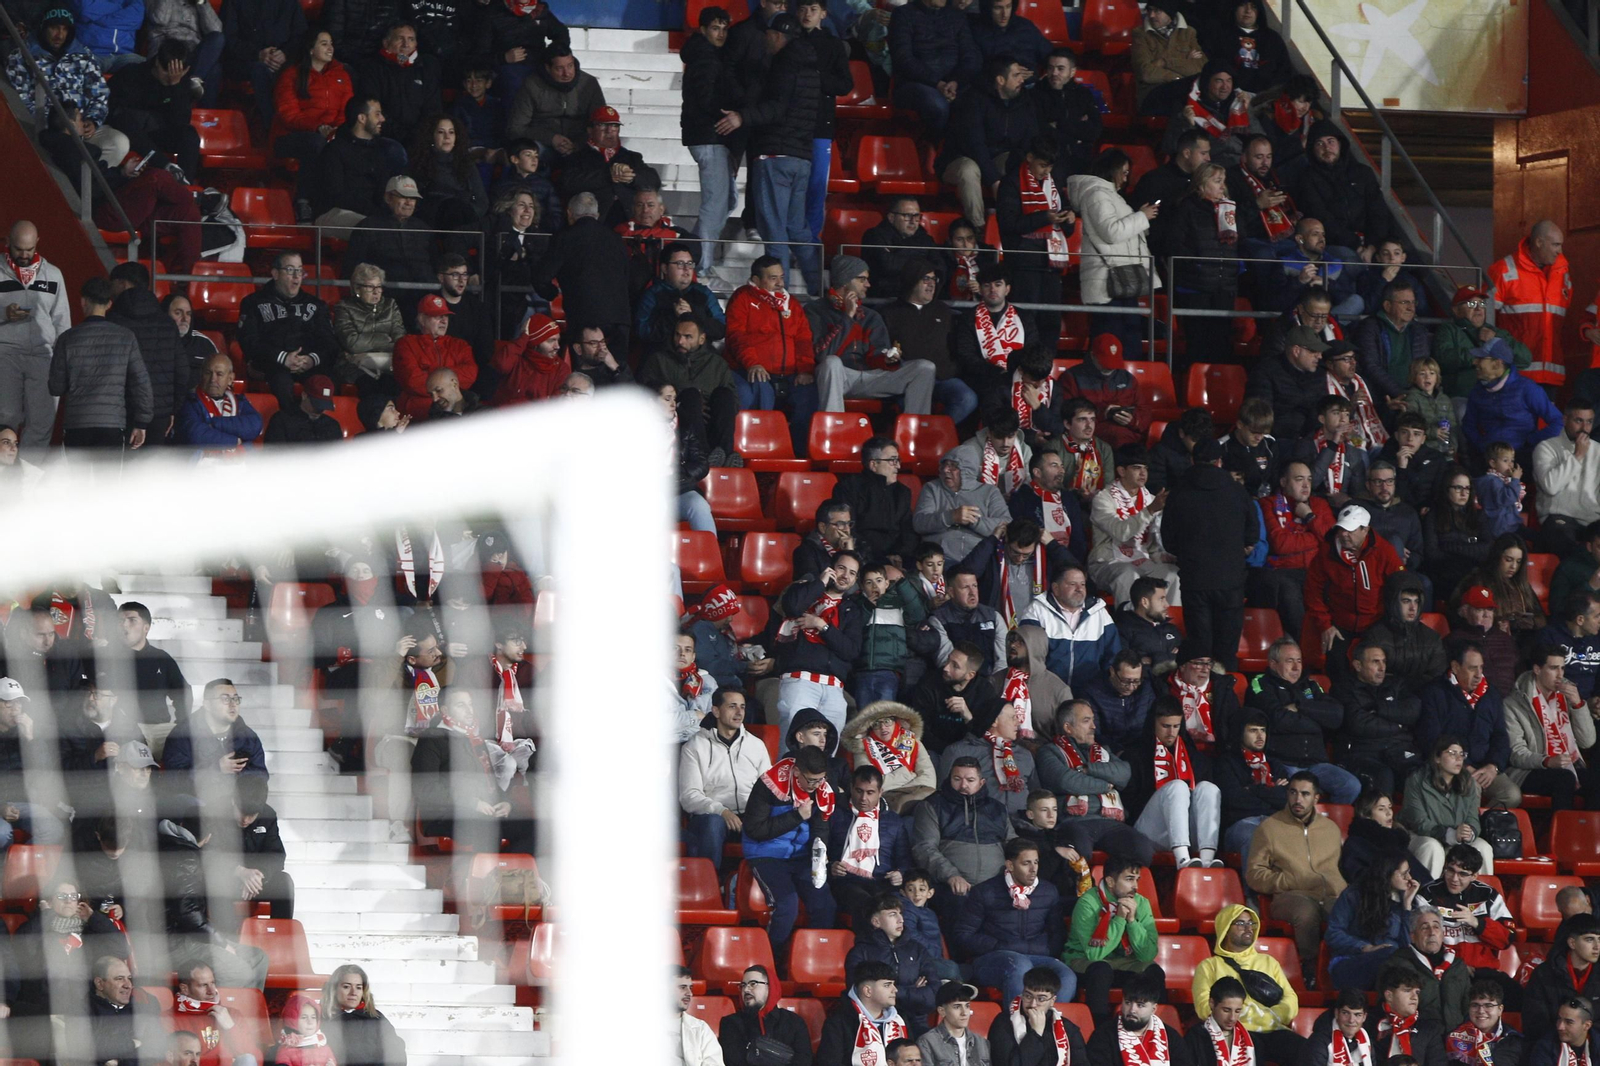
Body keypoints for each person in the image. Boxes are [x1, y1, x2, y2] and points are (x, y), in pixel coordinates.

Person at [714, 14, 821, 293]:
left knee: (774, 233)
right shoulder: (810, 64)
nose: (765, 40)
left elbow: (776, 108)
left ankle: (778, 296)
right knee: (798, 230)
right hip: (802, 157)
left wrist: (742, 117)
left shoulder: (783, 65)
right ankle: (819, 290)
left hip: (775, 155)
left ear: (777, 36)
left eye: (768, 35)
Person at [1162, 438, 1258, 670]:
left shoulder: (1178, 492)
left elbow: (1168, 541)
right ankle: (1226, 688)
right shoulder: (1237, 491)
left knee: (1199, 648)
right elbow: (1252, 535)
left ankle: (1200, 691)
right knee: (1227, 650)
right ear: (1219, 461)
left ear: (1192, 460)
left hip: (1194, 580)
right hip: (1231, 580)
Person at [810, 256, 936, 415]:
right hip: (839, 376)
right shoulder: (816, 310)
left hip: (871, 377)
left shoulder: (870, 316)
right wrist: (847, 317)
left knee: (925, 368)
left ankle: (916, 427)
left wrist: (888, 359)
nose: (868, 284)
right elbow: (822, 354)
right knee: (831, 363)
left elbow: (877, 354)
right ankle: (834, 426)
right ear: (845, 281)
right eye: (862, 279)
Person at [1036, 699, 1157, 864]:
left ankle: (1114, 881)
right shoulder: (1049, 752)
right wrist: (1105, 785)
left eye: (1093, 720)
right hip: (1073, 822)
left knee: (1142, 849)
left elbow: (1124, 773)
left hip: (1110, 822)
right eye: (1086, 721)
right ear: (1068, 728)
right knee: (1078, 851)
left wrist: (1088, 769)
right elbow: (1066, 781)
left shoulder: (1103, 751)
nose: (1094, 726)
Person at [742, 743, 837, 949]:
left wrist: (819, 852)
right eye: (810, 780)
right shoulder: (769, 784)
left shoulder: (821, 789)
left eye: (820, 779)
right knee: (787, 906)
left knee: (825, 904)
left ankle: (810, 956)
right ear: (796, 771)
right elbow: (755, 829)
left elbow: (821, 826)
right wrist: (797, 816)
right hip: (765, 854)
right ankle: (772, 957)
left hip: (801, 856)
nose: (815, 785)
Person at [1066, 150, 1159, 359]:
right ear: (1112, 169)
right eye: (1124, 173)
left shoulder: (1110, 195)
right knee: (1109, 340)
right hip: (1108, 280)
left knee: (1127, 337)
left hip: (1121, 277)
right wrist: (1141, 217)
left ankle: (1127, 377)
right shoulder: (1096, 194)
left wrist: (1140, 219)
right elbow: (1111, 232)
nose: (1126, 179)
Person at [48, 276, 152, 453]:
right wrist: (142, 422)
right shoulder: (126, 337)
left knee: (78, 473)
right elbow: (141, 382)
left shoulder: (67, 338)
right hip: (112, 423)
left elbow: (56, 387)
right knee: (108, 473)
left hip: (77, 423)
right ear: (109, 304)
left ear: (83, 301)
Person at [6, 10, 125, 160]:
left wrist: (93, 120)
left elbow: (100, 92)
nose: (60, 35)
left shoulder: (83, 54)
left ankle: (88, 175)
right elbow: (21, 98)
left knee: (118, 143)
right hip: (44, 129)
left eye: (65, 29)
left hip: (81, 126)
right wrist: (59, 124)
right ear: (43, 28)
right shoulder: (22, 56)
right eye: (54, 28)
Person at [940, 57, 1042, 232]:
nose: (1022, 80)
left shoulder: (1024, 101)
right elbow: (975, 146)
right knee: (969, 170)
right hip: (960, 158)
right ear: (1000, 80)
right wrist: (994, 181)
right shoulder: (973, 99)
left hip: (998, 157)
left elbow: (1030, 139)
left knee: (1023, 163)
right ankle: (977, 229)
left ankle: (1020, 224)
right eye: (1016, 75)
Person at [912, 758, 1015, 927]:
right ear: (949, 779)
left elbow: (1013, 845)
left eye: (970, 780)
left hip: (996, 887)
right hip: (952, 888)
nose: (963, 785)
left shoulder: (997, 809)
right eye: (957, 779)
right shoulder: (932, 805)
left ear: (981, 782)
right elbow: (924, 848)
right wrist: (951, 875)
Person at [1192, 914, 1305, 1066]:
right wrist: (1247, 1016)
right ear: (1225, 928)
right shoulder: (1209, 966)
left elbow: (1290, 998)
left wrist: (1274, 1015)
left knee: (1308, 1051)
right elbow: (1204, 1007)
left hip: (1273, 1028)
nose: (1248, 928)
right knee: (1251, 1052)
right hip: (1235, 1030)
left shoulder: (1269, 962)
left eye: (1251, 923)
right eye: (1240, 923)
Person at [1124, 697, 1220, 868]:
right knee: (1178, 786)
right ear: (1153, 723)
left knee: (1209, 788)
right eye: (1165, 726)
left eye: (1176, 726)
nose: (1171, 733)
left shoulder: (1195, 758)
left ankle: (1207, 859)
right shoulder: (1136, 755)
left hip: (1188, 832)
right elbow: (1130, 802)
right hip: (1150, 830)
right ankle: (1182, 860)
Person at [0, 222, 70, 455]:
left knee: (42, 422)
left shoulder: (54, 274)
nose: (24, 255)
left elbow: (62, 320)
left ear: (37, 242)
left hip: (43, 356)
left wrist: (62, 361)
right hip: (5, 353)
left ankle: (28, 474)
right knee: (5, 419)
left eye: (29, 249)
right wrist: (3, 314)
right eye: (19, 249)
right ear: (7, 242)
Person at [530, 192, 632, 351]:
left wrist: (551, 293)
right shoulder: (616, 239)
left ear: (569, 213)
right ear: (597, 215)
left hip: (583, 317)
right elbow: (627, 275)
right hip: (620, 317)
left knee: (585, 365)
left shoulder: (564, 238)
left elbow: (541, 277)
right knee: (617, 365)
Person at [238, 251, 338, 410]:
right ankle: (288, 422)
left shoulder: (317, 305)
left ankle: (321, 424)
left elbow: (330, 344)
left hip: (308, 364)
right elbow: (248, 341)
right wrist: (282, 358)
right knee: (281, 381)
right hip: (271, 365)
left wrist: (311, 359)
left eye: (300, 270)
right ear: (275, 273)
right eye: (290, 270)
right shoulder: (253, 302)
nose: (297, 276)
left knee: (327, 381)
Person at [679, 688, 770, 862]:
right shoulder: (695, 746)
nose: (739, 712)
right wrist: (722, 811)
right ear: (716, 711)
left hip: (750, 816)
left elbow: (769, 788)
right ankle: (709, 878)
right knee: (713, 824)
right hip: (712, 816)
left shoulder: (756, 744)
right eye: (732, 706)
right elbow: (689, 796)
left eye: (742, 707)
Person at [1503, 644, 1598, 809]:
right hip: (1528, 770)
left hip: (1568, 764)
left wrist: (1578, 705)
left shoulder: (1567, 696)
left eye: (1562, 668)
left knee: (1596, 780)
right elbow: (1516, 754)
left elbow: (1587, 741)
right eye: (1553, 668)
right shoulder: (1513, 704)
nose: (1560, 675)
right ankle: (1562, 826)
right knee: (1564, 779)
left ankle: (1589, 826)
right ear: (1537, 669)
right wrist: (1546, 761)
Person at [270, 31, 353, 219]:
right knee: (316, 144)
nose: (330, 48)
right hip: (290, 136)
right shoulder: (291, 74)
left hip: (331, 133)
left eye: (331, 43)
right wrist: (317, 127)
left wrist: (336, 130)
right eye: (324, 44)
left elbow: (347, 110)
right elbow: (288, 114)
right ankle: (303, 202)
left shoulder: (342, 75)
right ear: (310, 49)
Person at [1284, 121, 1390, 262]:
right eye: (1319, 143)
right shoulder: (1306, 178)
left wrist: (1371, 247)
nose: (1326, 148)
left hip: (1371, 244)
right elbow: (1321, 217)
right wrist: (1357, 246)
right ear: (1312, 149)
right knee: (1350, 260)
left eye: (1331, 141)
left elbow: (1378, 212)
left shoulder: (1363, 173)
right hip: (1334, 243)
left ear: (1340, 144)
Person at [1487, 220, 1571, 393]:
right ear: (1539, 242)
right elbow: (1483, 317)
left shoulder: (1562, 273)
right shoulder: (1504, 270)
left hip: (1551, 375)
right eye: (1555, 245)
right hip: (1516, 373)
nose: (1560, 251)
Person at [1399, 735, 1495, 879]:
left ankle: (1482, 892)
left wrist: (1470, 832)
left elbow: (1473, 818)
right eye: (1452, 753)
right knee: (1432, 847)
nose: (1459, 759)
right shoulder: (1417, 780)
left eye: (1462, 754)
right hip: (1420, 836)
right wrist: (1449, 834)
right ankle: (1427, 892)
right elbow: (1418, 822)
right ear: (1437, 758)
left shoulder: (1469, 783)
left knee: (1483, 847)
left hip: (1456, 839)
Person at [107, 37, 201, 181]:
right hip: (130, 133)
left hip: (157, 134)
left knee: (189, 134)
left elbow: (181, 122)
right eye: (166, 71)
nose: (170, 77)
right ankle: (166, 166)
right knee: (124, 117)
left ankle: (185, 183)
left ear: (186, 70)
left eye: (176, 73)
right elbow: (114, 113)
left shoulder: (181, 83)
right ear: (157, 62)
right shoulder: (132, 73)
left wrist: (174, 87)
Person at [1019, 563, 1122, 692]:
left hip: (1089, 693)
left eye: (1083, 584)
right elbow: (1027, 657)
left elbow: (1113, 655)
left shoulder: (1099, 612)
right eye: (1072, 584)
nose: (1079, 589)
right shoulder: (1036, 611)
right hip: (1046, 691)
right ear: (1056, 588)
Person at [828, 765, 914, 919]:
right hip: (846, 881)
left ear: (880, 792)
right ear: (851, 788)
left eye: (870, 793)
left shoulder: (893, 821)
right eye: (859, 791)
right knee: (869, 906)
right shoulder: (834, 813)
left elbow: (904, 859)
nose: (863, 798)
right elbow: (818, 850)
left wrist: (900, 874)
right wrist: (830, 866)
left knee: (905, 909)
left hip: (882, 882)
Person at [1325, 854, 1420, 990]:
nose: (1409, 878)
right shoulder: (1354, 895)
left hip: (1391, 965)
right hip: (1351, 963)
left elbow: (1406, 946)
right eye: (1404, 874)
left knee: (1406, 962)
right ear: (1387, 875)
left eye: (1409, 872)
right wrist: (1365, 948)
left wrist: (1407, 906)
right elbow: (1333, 933)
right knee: (1391, 957)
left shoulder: (1405, 900)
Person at [887, 0, 979, 136]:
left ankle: (958, 148)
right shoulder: (903, 14)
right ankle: (932, 145)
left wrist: (955, 81)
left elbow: (970, 57)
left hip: (953, 84)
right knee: (937, 105)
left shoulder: (957, 16)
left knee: (978, 102)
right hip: (915, 83)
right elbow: (903, 59)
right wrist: (937, 83)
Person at [1464, 339, 1564, 461]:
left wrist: (1530, 442)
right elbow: (1468, 424)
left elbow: (1558, 422)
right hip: (1489, 459)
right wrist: (1481, 446)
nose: (1475, 362)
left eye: (1481, 358)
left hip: (1521, 458)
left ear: (1497, 363)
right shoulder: (1477, 391)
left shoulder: (1527, 388)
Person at [313, 97, 403, 230]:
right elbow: (336, 195)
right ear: (362, 118)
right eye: (377, 114)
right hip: (335, 212)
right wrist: (375, 214)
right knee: (375, 228)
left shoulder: (381, 152)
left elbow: (382, 192)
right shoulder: (334, 150)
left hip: (371, 215)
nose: (382, 119)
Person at [916, 451, 1014, 564]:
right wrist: (951, 517)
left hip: (979, 558)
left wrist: (974, 521)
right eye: (944, 465)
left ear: (967, 470)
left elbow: (1006, 524)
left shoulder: (990, 492)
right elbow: (919, 523)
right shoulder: (932, 488)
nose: (945, 470)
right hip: (940, 560)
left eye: (953, 466)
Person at [1215, 713, 1288, 862]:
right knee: (1257, 836)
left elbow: (1286, 800)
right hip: (1241, 824)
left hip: (1275, 822)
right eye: (1253, 730)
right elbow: (1234, 800)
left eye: (1263, 730)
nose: (1260, 736)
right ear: (1240, 733)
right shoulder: (1226, 762)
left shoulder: (1275, 764)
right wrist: (1271, 792)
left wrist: (1253, 789)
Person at [1533, 401, 1600, 559]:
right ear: (1565, 420)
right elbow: (1551, 486)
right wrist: (1578, 456)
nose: (1584, 427)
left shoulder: (1598, 451)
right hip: (1559, 518)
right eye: (1578, 420)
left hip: (1593, 520)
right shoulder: (1546, 448)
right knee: (1561, 537)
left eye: (1589, 422)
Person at [843, 702, 935, 814]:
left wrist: (906, 785)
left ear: (897, 722)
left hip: (919, 791)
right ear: (870, 728)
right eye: (876, 724)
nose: (883, 727)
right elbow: (869, 783)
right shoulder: (862, 748)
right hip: (887, 796)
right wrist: (908, 775)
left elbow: (928, 776)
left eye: (887, 721)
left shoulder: (912, 741)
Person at [909, 642, 998, 754]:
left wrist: (968, 717)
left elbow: (986, 736)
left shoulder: (985, 692)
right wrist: (950, 752)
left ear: (970, 675)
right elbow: (920, 728)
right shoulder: (929, 683)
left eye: (955, 666)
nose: (946, 668)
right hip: (933, 750)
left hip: (970, 752)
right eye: (948, 660)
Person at [1084, 969, 1184, 1066]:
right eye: (1127, 1003)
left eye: (1140, 1005)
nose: (1132, 1010)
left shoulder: (1170, 1037)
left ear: (1153, 1009)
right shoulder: (1103, 1035)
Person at [818, 960, 909, 1066]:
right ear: (868, 991)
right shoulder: (839, 1023)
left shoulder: (900, 1019)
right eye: (887, 985)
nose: (895, 990)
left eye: (893, 984)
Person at [1524, 915, 1600, 1036]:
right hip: (1551, 1043)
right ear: (1572, 943)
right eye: (1589, 939)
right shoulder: (1544, 974)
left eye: (1599, 939)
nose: (1597, 946)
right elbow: (1535, 1021)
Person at [721, 967, 813, 1066]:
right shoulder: (731, 1023)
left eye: (753, 984)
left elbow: (804, 1061)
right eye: (743, 985)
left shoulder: (794, 1022)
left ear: (770, 987)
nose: (746, 989)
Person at [320, 965, 406, 1066]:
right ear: (334, 989)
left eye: (358, 987)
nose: (353, 992)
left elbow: (396, 1054)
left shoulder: (375, 1018)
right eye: (346, 987)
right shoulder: (323, 1018)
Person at [1131, 0, 1205, 116]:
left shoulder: (1188, 33)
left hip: (1184, 91)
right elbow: (1145, 73)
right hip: (1152, 93)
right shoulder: (1140, 34)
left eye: (1157, 11)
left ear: (1169, 12)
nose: (1151, 15)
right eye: (1150, 10)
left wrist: (1164, 62)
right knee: (1187, 93)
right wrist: (1178, 74)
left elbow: (1201, 68)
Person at [1366, 967, 1448, 1066]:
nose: (1414, 997)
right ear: (1389, 996)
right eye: (1407, 990)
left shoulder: (1428, 1027)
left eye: (1417, 992)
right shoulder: (1367, 1023)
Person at [1114, 576, 1184, 675]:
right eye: (1161, 599)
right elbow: (1127, 668)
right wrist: (1170, 659)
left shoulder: (1171, 629)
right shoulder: (1123, 630)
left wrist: (1153, 660)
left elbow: (1185, 662)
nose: (1167, 605)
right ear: (1145, 602)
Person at [1447, 981, 1524, 1066]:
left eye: (1488, 1005)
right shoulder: (1452, 1037)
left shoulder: (1515, 1042)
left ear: (1500, 1009)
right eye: (1475, 1005)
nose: (1481, 1011)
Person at [919, 982, 991, 1066]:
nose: (964, 1013)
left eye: (967, 1006)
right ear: (942, 1011)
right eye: (957, 1007)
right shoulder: (927, 1042)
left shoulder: (982, 1043)